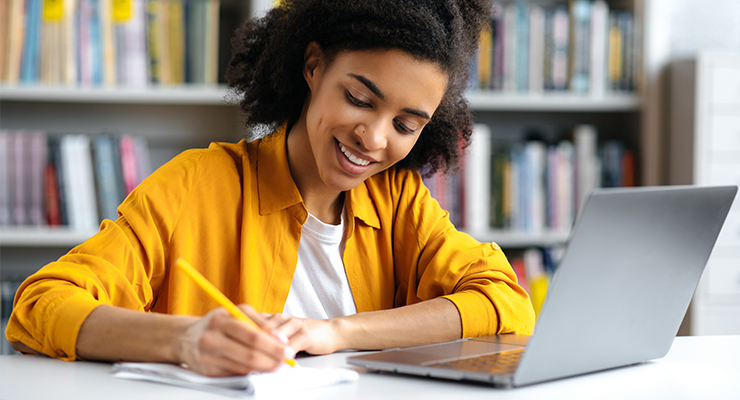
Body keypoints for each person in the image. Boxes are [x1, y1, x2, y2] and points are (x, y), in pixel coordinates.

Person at [6, 0, 535, 377]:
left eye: (405, 124)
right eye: (359, 98)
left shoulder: (397, 201)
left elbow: (505, 299)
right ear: (312, 66)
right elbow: (40, 306)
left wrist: (336, 332)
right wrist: (184, 340)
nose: (373, 138)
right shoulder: (198, 186)